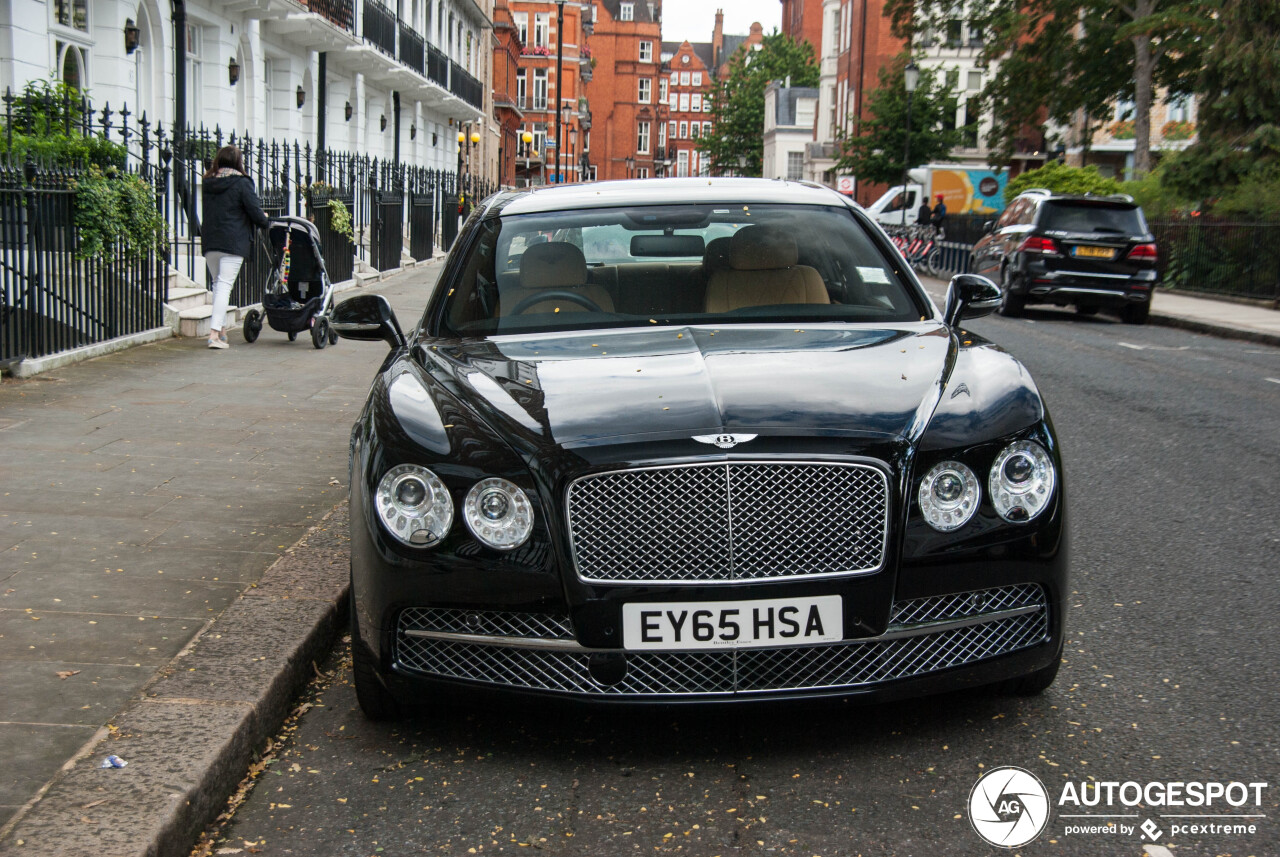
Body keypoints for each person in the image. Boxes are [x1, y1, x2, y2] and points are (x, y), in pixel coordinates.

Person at [201, 146, 270, 349]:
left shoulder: (208, 182)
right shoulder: (242, 183)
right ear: (238, 162)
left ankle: (221, 332)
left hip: (211, 240)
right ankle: (214, 335)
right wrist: (265, 221)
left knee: (217, 284)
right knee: (224, 285)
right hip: (233, 241)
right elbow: (254, 211)